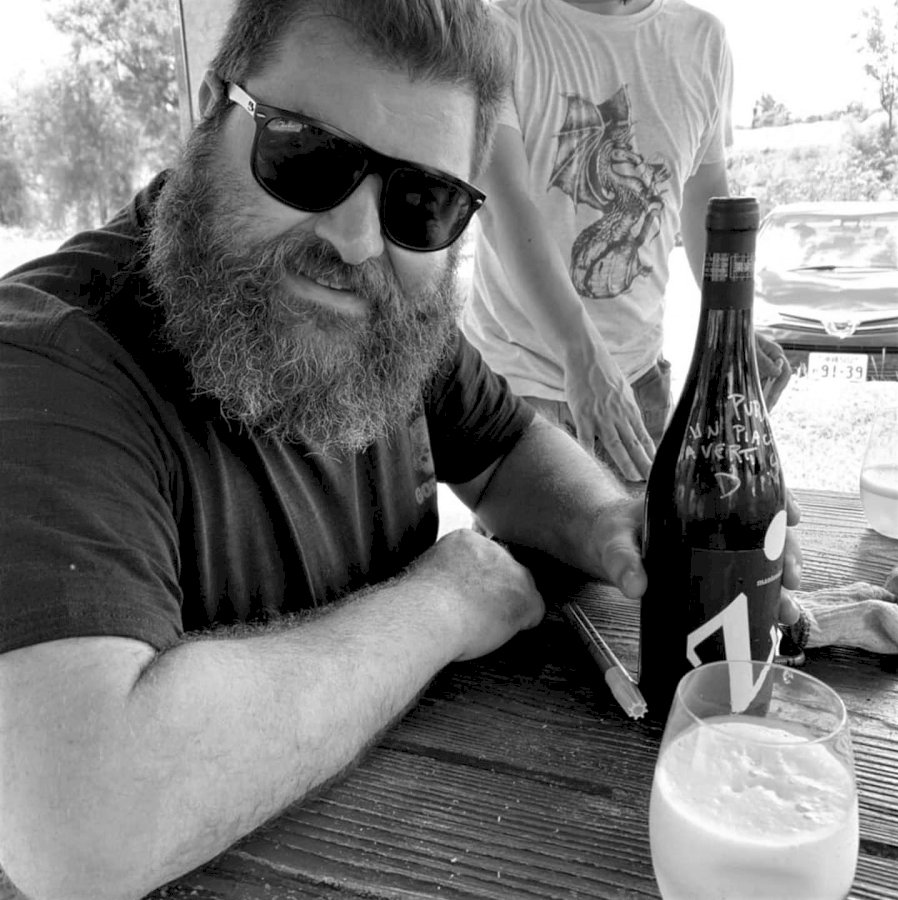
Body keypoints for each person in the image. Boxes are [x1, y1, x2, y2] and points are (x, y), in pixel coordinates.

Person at [0, 2, 801, 898]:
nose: (355, 239)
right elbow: (81, 825)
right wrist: (442, 602)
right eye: (306, 158)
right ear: (209, 109)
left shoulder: (394, 310)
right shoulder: (46, 362)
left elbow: (507, 450)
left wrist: (613, 526)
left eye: (421, 202)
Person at [461, 0, 791, 483]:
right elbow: (503, 203)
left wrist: (735, 330)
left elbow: (705, 200)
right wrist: (583, 356)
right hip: (517, 387)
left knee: (643, 533)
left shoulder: (704, 40)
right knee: (523, 538)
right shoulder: (500, 28)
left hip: (640, 382)